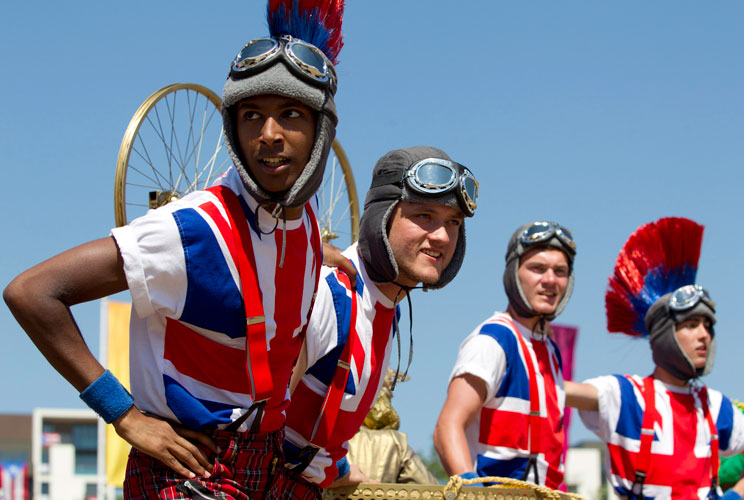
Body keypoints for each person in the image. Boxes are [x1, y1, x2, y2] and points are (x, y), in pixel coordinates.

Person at [4, 1, 347, 498]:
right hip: (188, 468)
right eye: (252, 116)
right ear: (234, 129)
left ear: (322, 131)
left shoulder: (308, 230)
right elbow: (32, 292)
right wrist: (124, 416)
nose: (268, 135)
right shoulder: (191, 230)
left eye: (290, 114)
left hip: (264, 460)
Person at [279, 146, 479, 500]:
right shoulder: (327, 293)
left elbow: (308, 437)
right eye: (424, 216)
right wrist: (142, 424)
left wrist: (335, 466)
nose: (443, 237)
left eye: (453, 222)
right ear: (382, 216)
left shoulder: (385, 308)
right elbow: (246, 423)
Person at [566, 217, 744, 500]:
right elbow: (559, 392)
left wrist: (734, 496)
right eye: (691, 325)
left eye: (708, 326)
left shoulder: (714, 406)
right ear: (663, 335)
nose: (704, 335)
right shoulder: (626, 396)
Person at [434, 222, 577, 489]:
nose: (550, 280)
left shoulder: (550, 350)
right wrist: (472, 491)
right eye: (537, 268)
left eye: (560, 271)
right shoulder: (494, 340)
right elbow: (447, 428)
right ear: (513, 273)